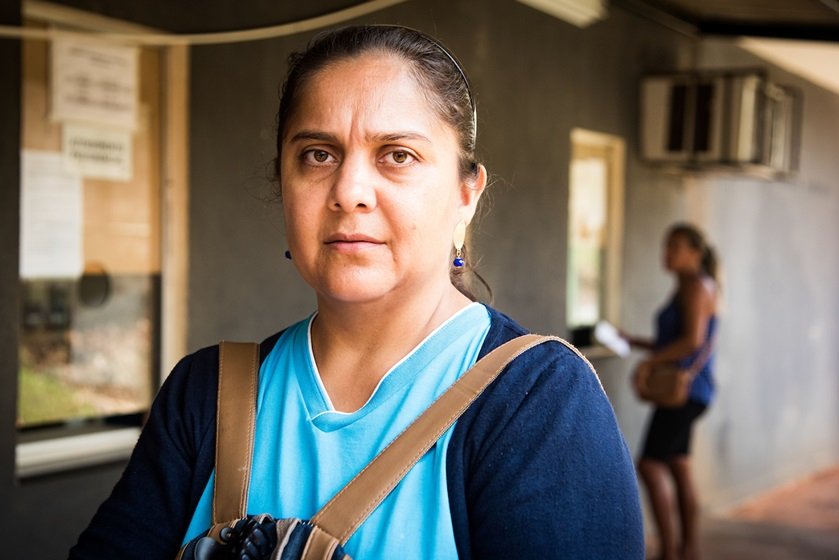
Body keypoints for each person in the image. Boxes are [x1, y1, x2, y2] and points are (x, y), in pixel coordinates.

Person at [69, 25, 643, 559]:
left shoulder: (535, 404)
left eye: (398, 156)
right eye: (318, 155)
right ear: (283, 183)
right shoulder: (206, 395)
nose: (349, 192)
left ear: (466, 195)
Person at [624, 223, 719, 560]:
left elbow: (692, 341)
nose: (667, 253)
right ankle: (687, 549)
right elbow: (677, 341)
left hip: (686, 389)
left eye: (676, 247)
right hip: (692, 389)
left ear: (695, 253)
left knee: (650, 465)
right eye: (666, 246)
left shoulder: (696, 286)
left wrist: (647, 364)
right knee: (678, 463)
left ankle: (668, 551)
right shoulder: (687, 287)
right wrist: (637, 343)